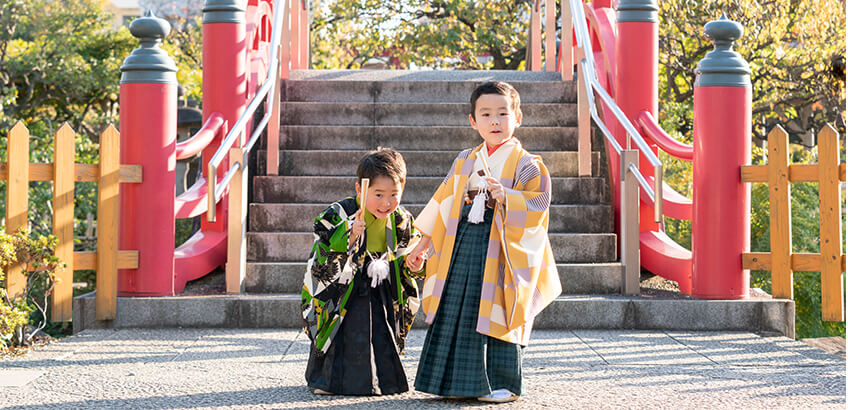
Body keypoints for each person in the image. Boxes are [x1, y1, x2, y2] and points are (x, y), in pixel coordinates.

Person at [406, 81, 562, 403]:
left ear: (518, 117)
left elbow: (539, 205)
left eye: (503, 113)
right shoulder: (465, 159)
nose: (495, 121)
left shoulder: (528, 164)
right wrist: (422, 245)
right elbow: (442, 203)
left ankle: (503, 384)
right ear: (472, 121)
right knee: (457, 306)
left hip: (503, 244)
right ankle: (448, 382)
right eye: (486, 114)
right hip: (465, 239)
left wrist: (508, 198)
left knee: (500, 307)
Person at [302, 148, 424, 396]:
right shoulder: (340, 212)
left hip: (382, 286)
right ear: (360, 189)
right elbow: (322, 238)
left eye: (394, 194)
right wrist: (350, 232)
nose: (386, 203)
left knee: (381, 330)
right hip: (346, 286)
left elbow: (411, 250)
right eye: (378, 194)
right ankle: (329, 382)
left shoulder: (401, 219)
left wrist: (416, 263)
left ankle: (385, 381)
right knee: (344, 330)